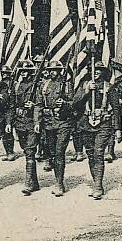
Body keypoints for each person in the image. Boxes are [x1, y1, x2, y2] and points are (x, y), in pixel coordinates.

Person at [73, 61, 122, 200]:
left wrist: (118, 129)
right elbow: (75, 104)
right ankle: (96, 182)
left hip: (104, 124)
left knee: (98, 152)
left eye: (98, 70)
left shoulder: (109, 87)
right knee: (90, 154)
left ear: (103, 72)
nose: (95, 72)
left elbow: (116, 108)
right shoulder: (84, 85)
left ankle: (98, 186)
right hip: (86, 124)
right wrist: (86, 91)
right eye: (93, 69)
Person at [38, 59, 76, 197]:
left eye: (55, 70)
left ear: (60, 71)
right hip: (48, 122)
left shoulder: (66, 84)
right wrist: (38, 121)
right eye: (50, 70)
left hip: (63, 122)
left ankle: (59, 183)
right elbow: (39, 104)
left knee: (60, 152)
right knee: (52, 152)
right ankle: (57, 179)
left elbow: (74, 103)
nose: (52, 72)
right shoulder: (44, 85)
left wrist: (65, 103)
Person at [11, 59, 42, 195]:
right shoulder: (17, 86)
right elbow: (12, 104)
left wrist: (33, 107)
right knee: (25, 150)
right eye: (22, 71)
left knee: (30, 151)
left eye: (27, 72)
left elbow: (41, 103)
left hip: (31, 122)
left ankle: (29, 183)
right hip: (19, 122)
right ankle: (34, 182)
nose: (24, 74)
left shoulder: (37, 86)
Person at [0, 66, 18, 162]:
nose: (4, 75)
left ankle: (11, 152)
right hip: (2, 110)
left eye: (6, 73)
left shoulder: (14, 84)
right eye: (3, 73)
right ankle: (9, 151)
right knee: (4, 133)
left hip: (12, 110)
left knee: (9, 131)